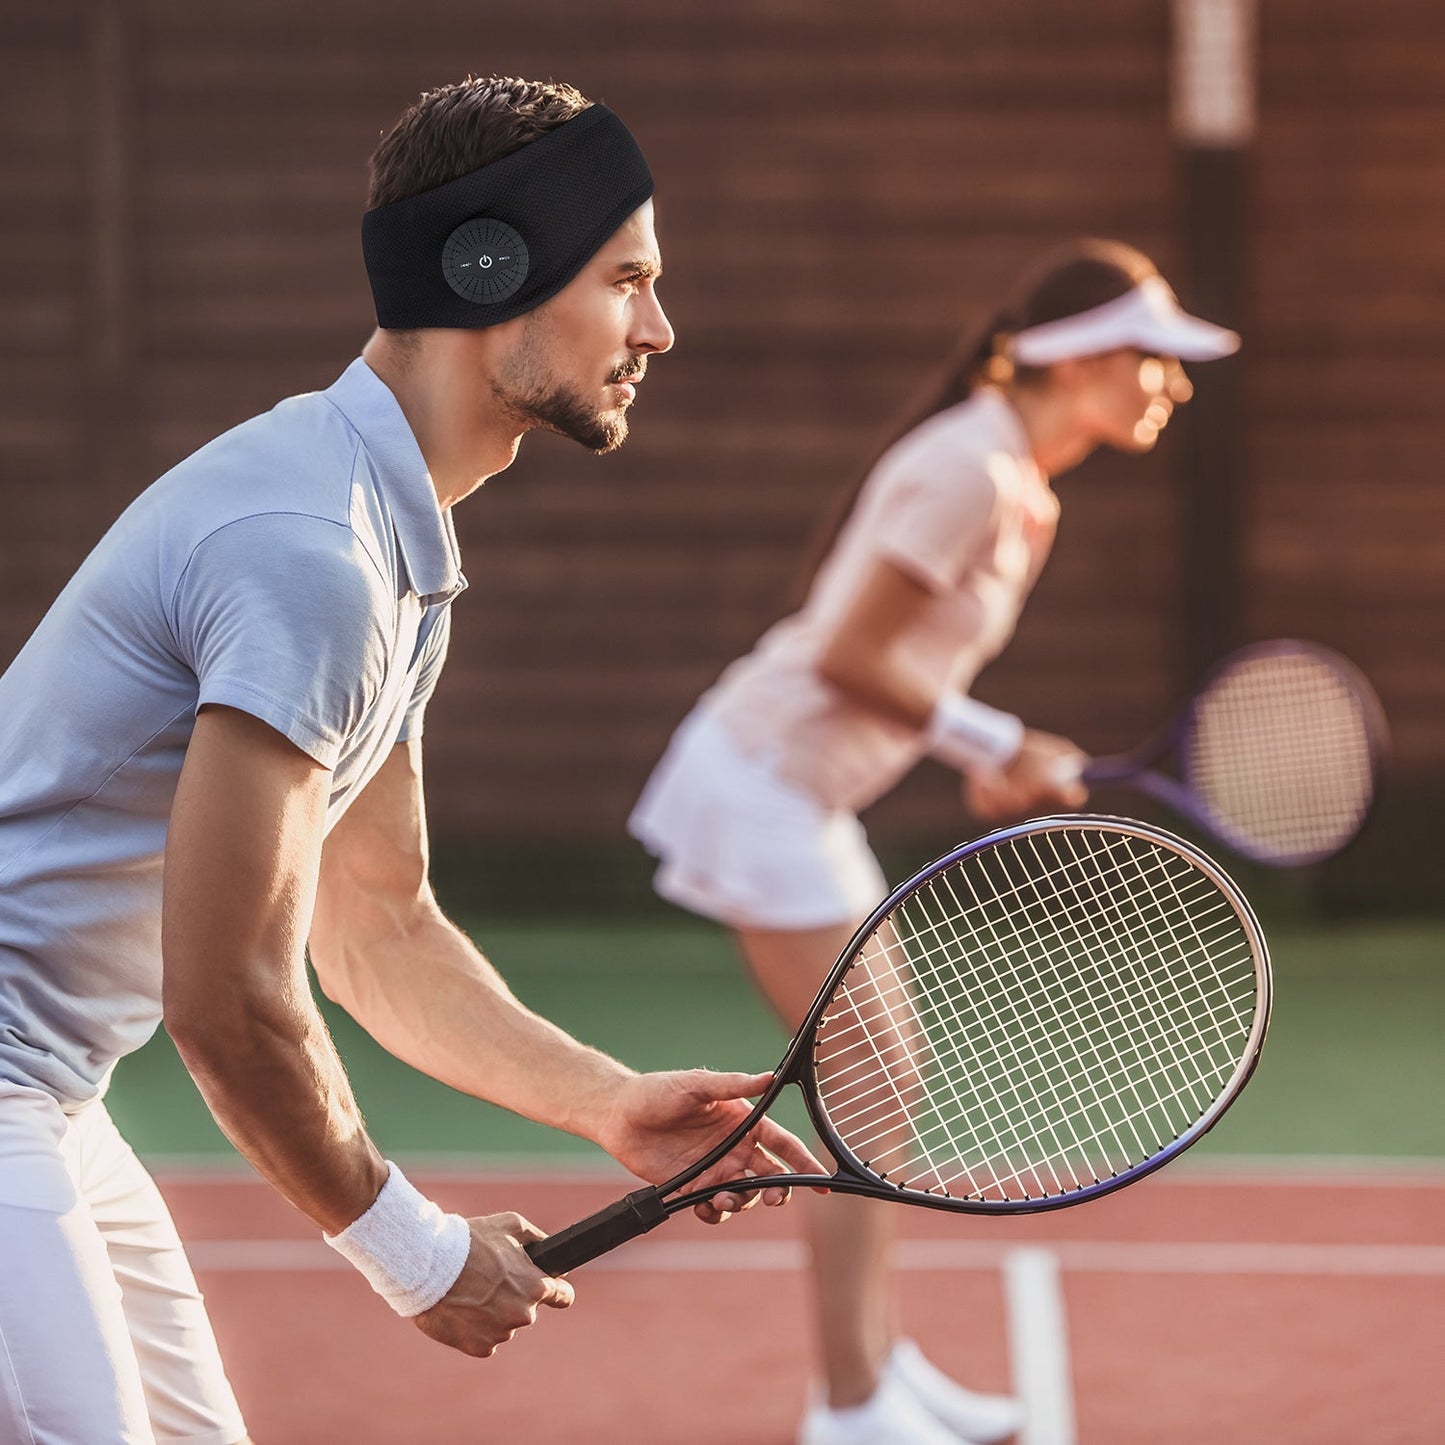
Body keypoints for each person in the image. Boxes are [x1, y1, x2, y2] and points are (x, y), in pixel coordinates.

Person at [0, 76, 823, 1445]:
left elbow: (374, 925)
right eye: (626, 281)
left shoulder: (389, 551)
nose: (660, 329)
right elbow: (230, 998)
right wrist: (415, 1251)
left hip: (47, 1093)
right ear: (491, 269)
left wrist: (608, 1102)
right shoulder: (309, 553)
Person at [630, 238, 1240, 1445]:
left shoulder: (1011, 474)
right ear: (1076, 363)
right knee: (868, 1090)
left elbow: (894, 670)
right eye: (1150, 360)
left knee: (877, 1088)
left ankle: (870, 1373)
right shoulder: (972, 466)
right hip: (759, 783)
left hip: (803, 795)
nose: (1168, 383)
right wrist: (996, 739)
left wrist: (976, 752)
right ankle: (851, 1406)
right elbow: (844, 654)